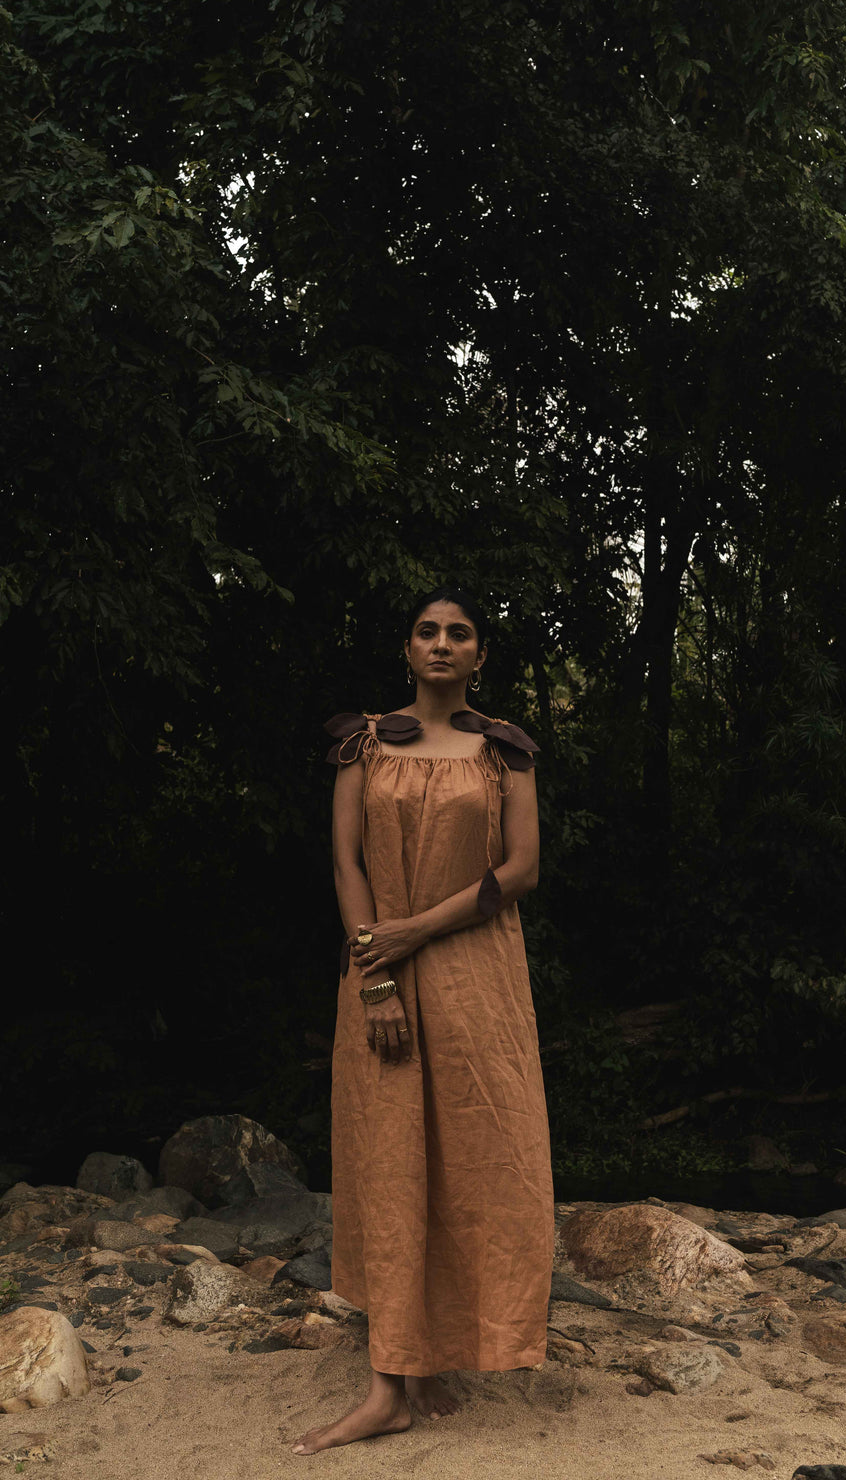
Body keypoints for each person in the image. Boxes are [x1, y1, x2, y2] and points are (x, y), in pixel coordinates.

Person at [291, 587, 554, 1455]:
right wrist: (377, 975)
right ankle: (386, 1389)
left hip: (479, 978)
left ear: (480, 654)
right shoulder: (363, 743)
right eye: (427, 631)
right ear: (406, 648)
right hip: (378, 972)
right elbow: (344, 863)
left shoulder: (505, 752)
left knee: (477, 1157)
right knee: (392, 1158)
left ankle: (431, 1356)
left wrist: (412, 931)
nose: (442, 644)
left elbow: (518, 873)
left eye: (460, 633)